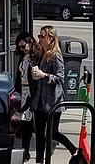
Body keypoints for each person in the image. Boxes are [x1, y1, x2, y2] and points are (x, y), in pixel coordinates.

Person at [31, 25, 78, 164]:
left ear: (50, 38)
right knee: (39, 133)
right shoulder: (42, 54)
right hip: (40, 100)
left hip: (53, 101)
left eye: (42, 36)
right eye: (39, 36)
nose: (39, 39)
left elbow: (60, 78)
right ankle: (39, 160)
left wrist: (43, 75)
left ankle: (73, 149)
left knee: (52, 132)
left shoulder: (55, 55)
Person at [13, 31, 38, 162]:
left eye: (24, 46)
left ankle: (28, 151)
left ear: (30, 42)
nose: (22, 49)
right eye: (20, 47)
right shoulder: (23, 58)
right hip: (22, 91)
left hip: (30, 92)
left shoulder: (35, 57)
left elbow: (36, 78)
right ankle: (26, 151)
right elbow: (19, 76)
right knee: (25, 123)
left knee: (27, 121)